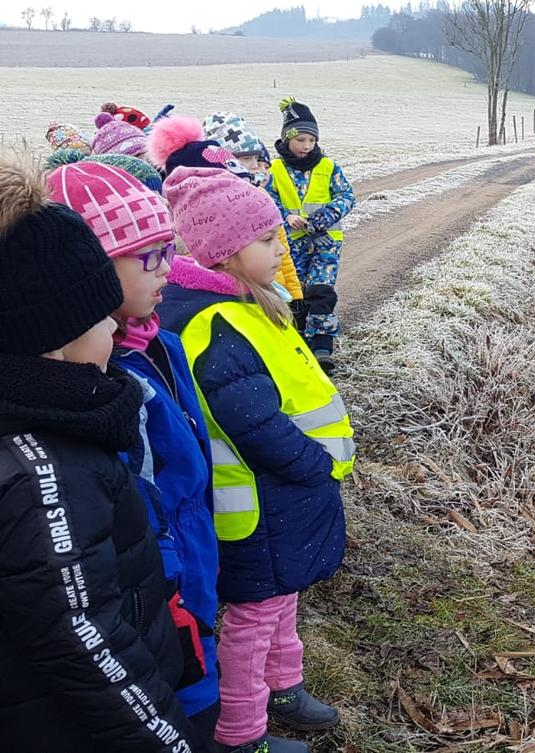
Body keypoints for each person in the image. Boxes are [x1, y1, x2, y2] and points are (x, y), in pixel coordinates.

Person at [0, 155, 203, 752]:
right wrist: (173, 740)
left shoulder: (53, 421)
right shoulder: (44, 470)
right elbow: (87, 641)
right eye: (99, 318)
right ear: (52, 340)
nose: (115, 333)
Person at [157, 166, 354, 753]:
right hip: (261, 501)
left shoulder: (248, 303)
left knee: (281, 600)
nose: (280, 248)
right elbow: (251, 421)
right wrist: (313, 464)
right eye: (266, 240)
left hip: (284, 497)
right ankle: (243, 736)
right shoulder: (216, 322)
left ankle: (284, 687)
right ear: (223, 251)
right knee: (252, 617)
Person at [47, 160, 223, 741]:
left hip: (192, 556)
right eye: (150, 256)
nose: (169, 269)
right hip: (154, 585)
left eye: (170, 249)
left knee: (202, 673)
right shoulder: (100, 382)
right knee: (177, 699)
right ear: (92, 271)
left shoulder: (161, 344)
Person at [266, 97, 355, 370]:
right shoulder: (275, 169)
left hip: (326, 242)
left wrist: (323, 217)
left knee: (320, 291)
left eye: (311, 141)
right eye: (300, 140)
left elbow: (347, 196)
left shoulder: (328, 167)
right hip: (291, 244)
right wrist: (285, 215)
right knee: (295, 292)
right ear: (287, 140)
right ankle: (299, 339)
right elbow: (265, 199)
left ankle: (322, 345)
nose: (306, 146)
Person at [203, 111, 304, 301]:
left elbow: (283, 253)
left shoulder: (262, 197)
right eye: (246, 159)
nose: (254, 166)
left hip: (277, 293)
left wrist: (295, 294)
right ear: (224, 160)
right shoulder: (209, 210)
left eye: (256, 159)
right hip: (241, 296)